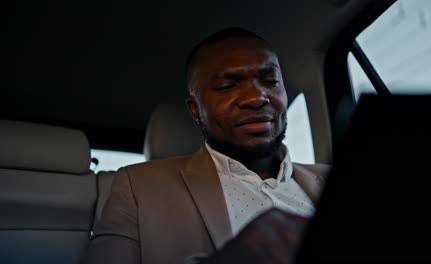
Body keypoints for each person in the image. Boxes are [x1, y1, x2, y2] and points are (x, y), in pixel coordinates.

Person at [82, 27, 329, 264]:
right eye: (227, 86)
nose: (257, 97)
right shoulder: (137, 185)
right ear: (195, 109)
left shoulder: (330, 178)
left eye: (270, 80)